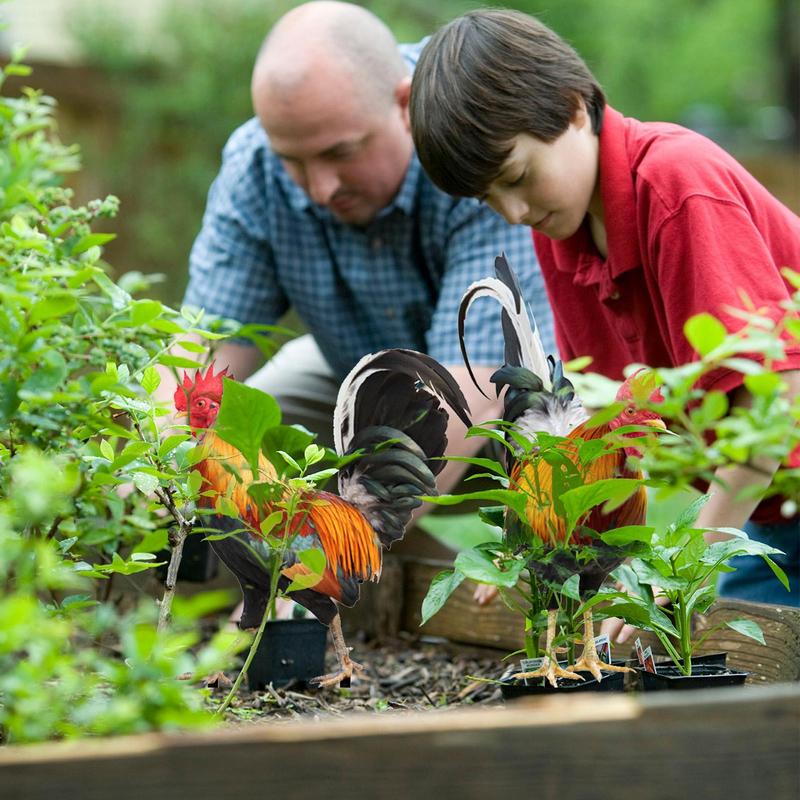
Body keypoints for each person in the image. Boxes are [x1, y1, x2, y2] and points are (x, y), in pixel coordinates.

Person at [408, 8, 800, 623]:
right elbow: (603, 420)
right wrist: (543, 549)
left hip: (768, 490)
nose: (511, 211)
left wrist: (686, 570)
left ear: (573, 108)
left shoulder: (675, 186)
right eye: (488, 198)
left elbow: (776, 398)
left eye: (517, 177)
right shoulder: (560, 230)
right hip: (769, 512)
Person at [163, 3, 554, 532]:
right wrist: (157, 454)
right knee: (230, 433)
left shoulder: (469, 137)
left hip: (507, 399)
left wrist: (338, 547)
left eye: (340, 153)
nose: (321, 187)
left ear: (403, 104)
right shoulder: (254, 165)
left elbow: (475, 386)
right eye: (293, 161)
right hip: (352, 372)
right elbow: (206, 348)